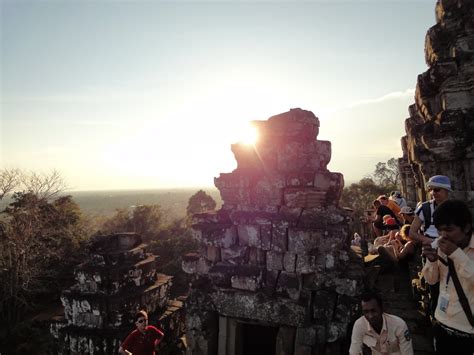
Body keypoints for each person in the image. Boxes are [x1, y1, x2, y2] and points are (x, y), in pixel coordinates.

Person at [421, 200, 474, 354]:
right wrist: (431, 261)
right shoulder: (441, 246)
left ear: (466, 227)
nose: (444, 236)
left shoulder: (453, 249)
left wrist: (456, 254)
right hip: (442, 322)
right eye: (440, 230)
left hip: (468, 329)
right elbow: (432, 280)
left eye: (449, 230)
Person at [350, 290, 414, 354]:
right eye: (366, 312)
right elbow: (354, 351)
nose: (370, 316)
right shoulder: (359, 325)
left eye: (373, 311)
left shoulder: (399, 325)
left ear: (381, 309)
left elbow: (407, 353)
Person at [410, 175, 451, 245]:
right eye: (430, 190)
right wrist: (432, 242)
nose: (433, 193)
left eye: (436, 190)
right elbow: (412, 232)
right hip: (429, 247)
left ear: (446, 190)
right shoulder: (424, 208)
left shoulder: (456, 208)